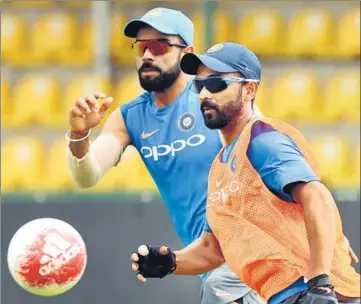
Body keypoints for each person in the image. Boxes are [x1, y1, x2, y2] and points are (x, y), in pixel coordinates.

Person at [130, 42, 361, 304]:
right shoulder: (219, 167)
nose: (205, 93)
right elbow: (212, 248)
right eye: (199, 85)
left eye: (216, 84)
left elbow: (317, 197)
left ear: (250, 89)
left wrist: (320, 283)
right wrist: (171, 262)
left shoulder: (262, 141)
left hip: (322, 295)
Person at [66, 7, 263, 304]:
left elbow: (270, 153)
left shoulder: (214, 97)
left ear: (187, 53)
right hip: (209, 259)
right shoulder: (130, 117)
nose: (147, 55)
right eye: (142, 46)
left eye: (159, 46)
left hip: (252, 252)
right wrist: (80, 134)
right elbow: (87, 175)